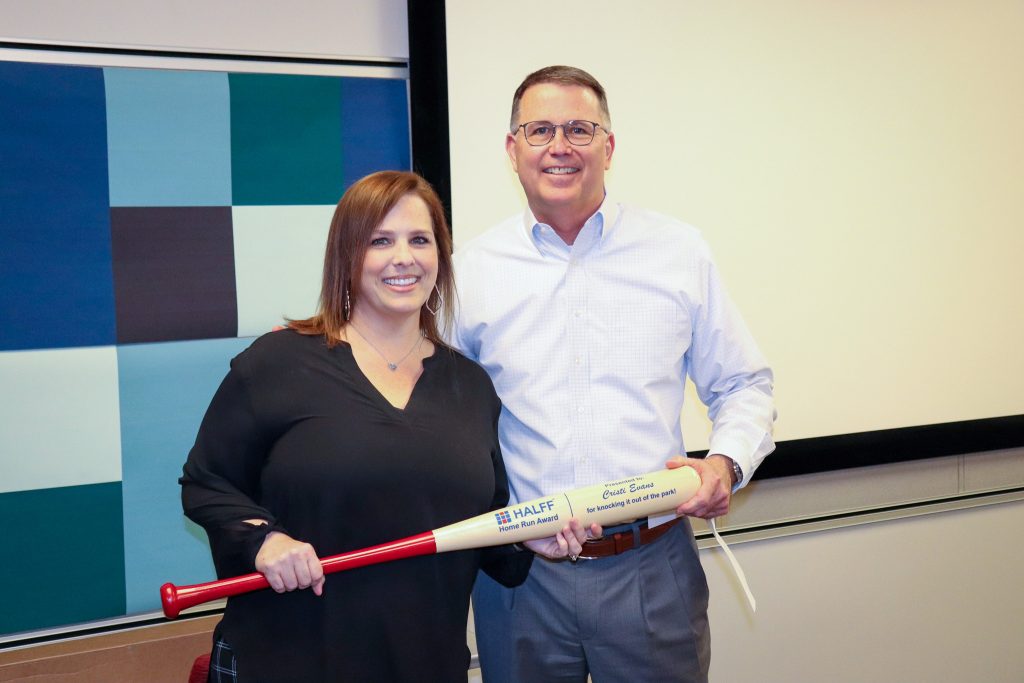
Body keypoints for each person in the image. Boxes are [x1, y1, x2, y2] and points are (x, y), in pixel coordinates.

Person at [179, 170, 588, 682]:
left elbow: (474, 523)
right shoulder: (276, 363)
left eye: (419, 240)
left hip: (423, 662)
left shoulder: (471, 386)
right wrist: (264, 541)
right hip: (289, 660)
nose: (403, 258)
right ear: (347, 255)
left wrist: (526, 540)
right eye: (380, 241)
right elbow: (207, 483)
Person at [452, 66, 777, 682]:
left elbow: (744, 385)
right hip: (522, 578)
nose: (560, 146)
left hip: (651, 566)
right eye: (540, 130)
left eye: (580, 129)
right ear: (512, 149)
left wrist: (724, 464)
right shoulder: (469, 272)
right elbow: (435, 419)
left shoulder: (678, 251)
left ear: (609, 146)